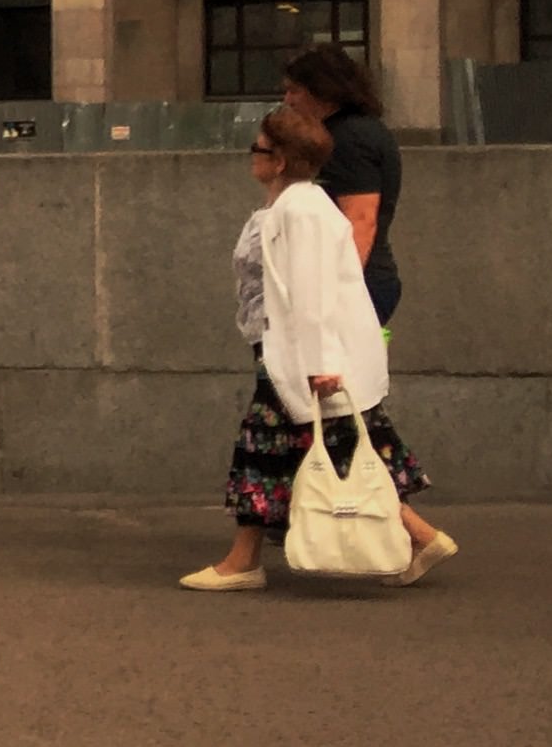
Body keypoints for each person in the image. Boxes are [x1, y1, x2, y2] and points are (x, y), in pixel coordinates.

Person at [184, 106, 454, 590]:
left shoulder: (301, 211)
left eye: (259, 149)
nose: (252, 157)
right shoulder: (294, 207)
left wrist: (321, 364)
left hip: (299, 354)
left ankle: (243, 561)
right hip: (290, 349)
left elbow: (312, 295)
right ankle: (418, 534)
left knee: (263, 450)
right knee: (331, 444)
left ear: (281, 160)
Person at [282, 43, 404, 326]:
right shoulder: (354, 131)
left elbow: (360, 219)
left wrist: (338, 293)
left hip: (358, 283)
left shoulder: (348, 139)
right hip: (362, 279)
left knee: (336, 369)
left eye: (295, 90)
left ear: (323, 90)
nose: (288, 100)